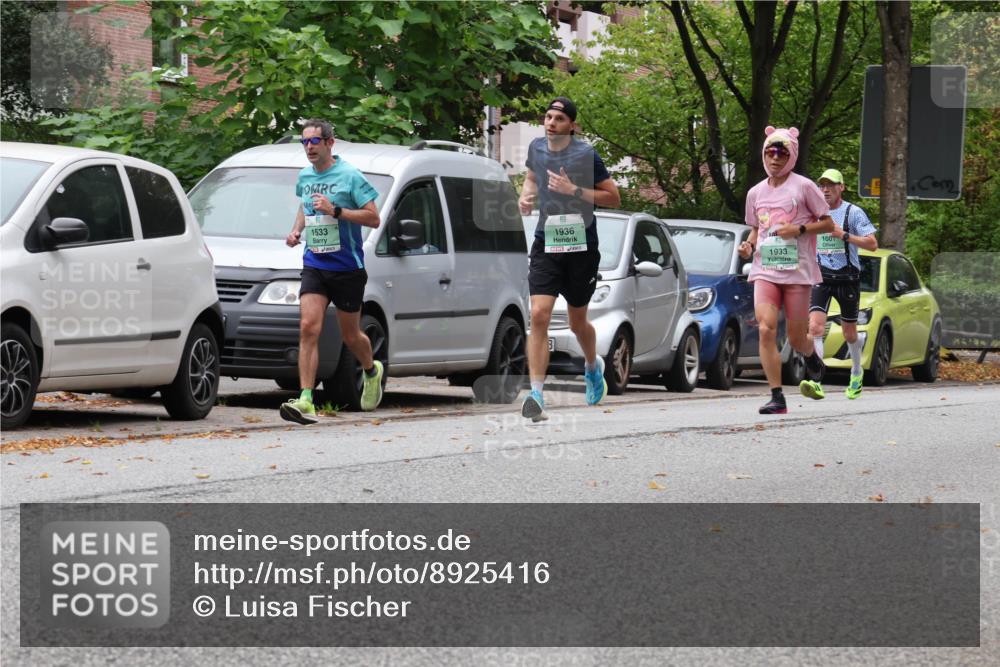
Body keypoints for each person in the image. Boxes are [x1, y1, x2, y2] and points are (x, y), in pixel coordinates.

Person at [518, 97, 621, 422]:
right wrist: (525, 194)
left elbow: (613, 198)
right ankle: (536, 394)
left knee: (578, 322)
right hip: (546, 243)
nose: (551, 123)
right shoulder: (537, 148)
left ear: (572, 125)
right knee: (538, 315)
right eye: (548, 117)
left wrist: (573, 189)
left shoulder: (586, 154)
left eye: (559, 119)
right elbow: (532, 177)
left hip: (581, 248)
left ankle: (592, 367)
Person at [280, 119, 383, 424]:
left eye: (314, 141)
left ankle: (370, 369)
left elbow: (373, 218)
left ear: (329, 143)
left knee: (351, 336)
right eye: (304, 142)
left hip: (347, 267)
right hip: (316, 263)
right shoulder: (305, 175)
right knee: (308, 326)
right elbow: (304, 204)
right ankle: (306, 400)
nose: (309, 147)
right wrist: (296, 230)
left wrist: (336, 211)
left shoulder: (350, 176)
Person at [737, 126, 834, 414]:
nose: (775, 158)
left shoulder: (804, 187)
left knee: (795, 338)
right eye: (770, 151)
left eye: (782, 152)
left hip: (797, 272)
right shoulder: (755, 192)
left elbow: (828, 224)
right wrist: (748, 245)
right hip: (765, 269)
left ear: (791, 156)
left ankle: (812, 357)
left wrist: (799, 229)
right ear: (763, 154)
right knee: (766, 329)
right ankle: (777, 396)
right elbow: (756, 229)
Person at [808, 168, 879, 399]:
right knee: (815, 328)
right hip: (821, 277)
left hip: (847, 278)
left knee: (850, 333)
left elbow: (872, 244)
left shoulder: (853, 213)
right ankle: (816, 379)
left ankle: (856, 372)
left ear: (841, 187)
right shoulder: (814, 212)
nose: (826, 189)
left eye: (831, 185)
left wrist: (844, 235)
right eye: (822, 185)